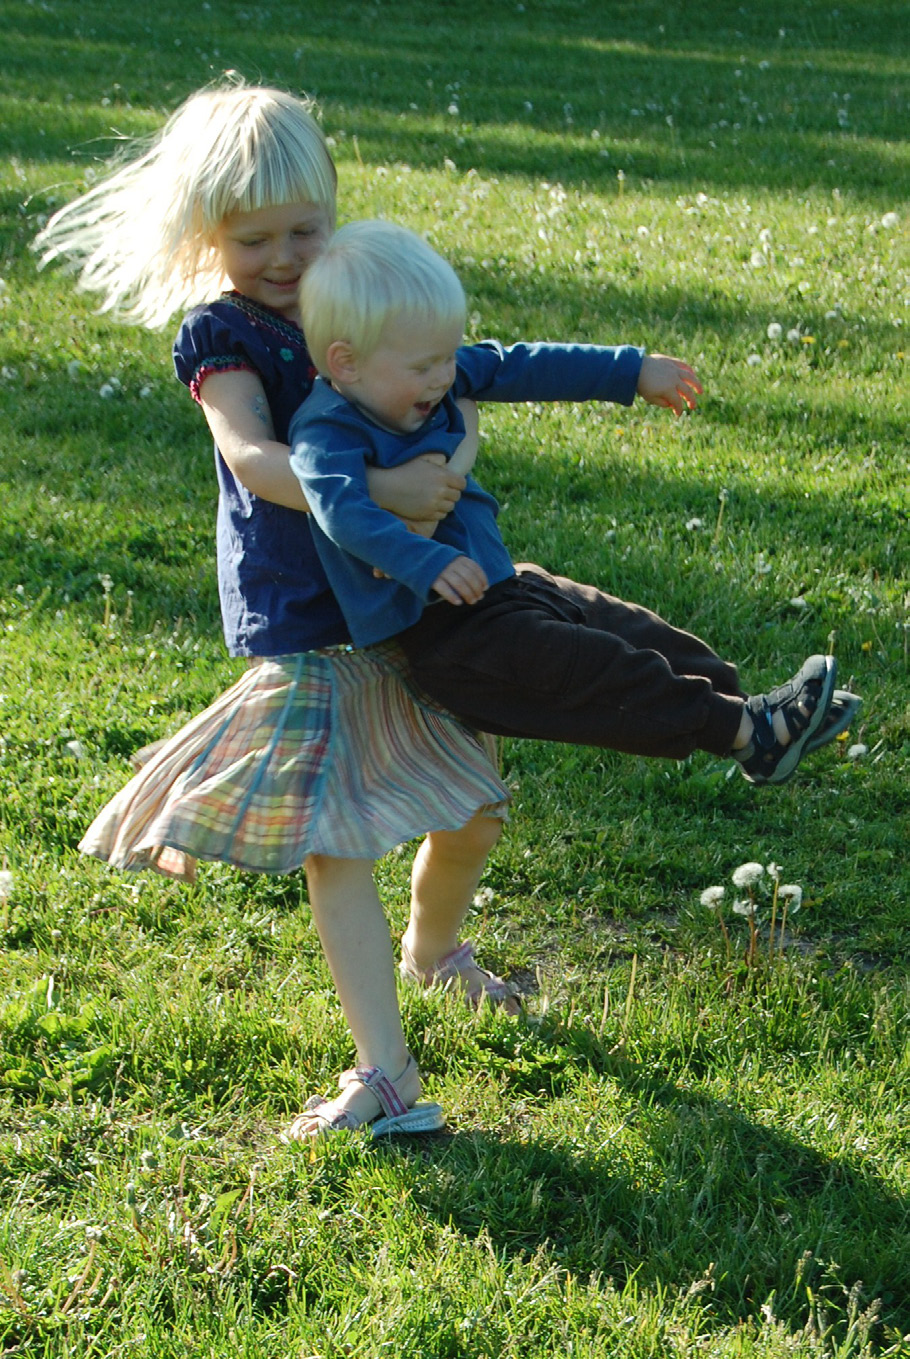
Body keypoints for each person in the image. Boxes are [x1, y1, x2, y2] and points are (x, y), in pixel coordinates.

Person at [33, 81, 524, 1142]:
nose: (287, 258)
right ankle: (386, 1076)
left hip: (404, 597)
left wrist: (448, 462)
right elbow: (252, 457)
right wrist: (377, 495)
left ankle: (434, 949)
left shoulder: (355, 299)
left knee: (476, 802)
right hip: (306, 615)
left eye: (306, 228)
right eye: (255, 238)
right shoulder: (222, 334)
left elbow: (452, 393)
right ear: (210, 236)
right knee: (336, 839)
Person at [289, 220, 860, 784]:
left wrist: (631, 371)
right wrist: (428, 562)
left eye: (448, 356)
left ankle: (763, 717)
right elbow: (341, 512)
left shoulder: (432, 371)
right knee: (596, 669)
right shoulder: (326, 434)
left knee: (634, 630)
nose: (446, 377)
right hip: (444, 636)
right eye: (425, 366)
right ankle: (743, 729)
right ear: (346, 362)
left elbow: (526, 364)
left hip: (503, 586)